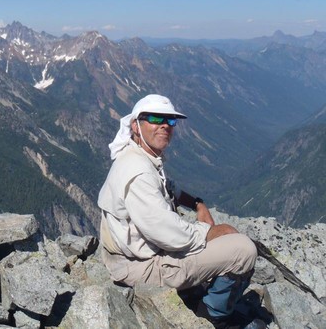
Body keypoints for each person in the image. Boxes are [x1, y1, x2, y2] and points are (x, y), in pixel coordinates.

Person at [97, 94, 265, 329]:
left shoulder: (139, 157)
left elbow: (169, 187)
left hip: (135, 258)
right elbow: (168, 234)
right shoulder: (138, 173)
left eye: (170, 120)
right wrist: (209, 231)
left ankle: (198, 297)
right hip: (140, 268)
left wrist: (197, 203)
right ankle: (214, 318)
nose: (165, 125)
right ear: (136, 125)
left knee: (226, 238)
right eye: (156, 118)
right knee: (244, 249)